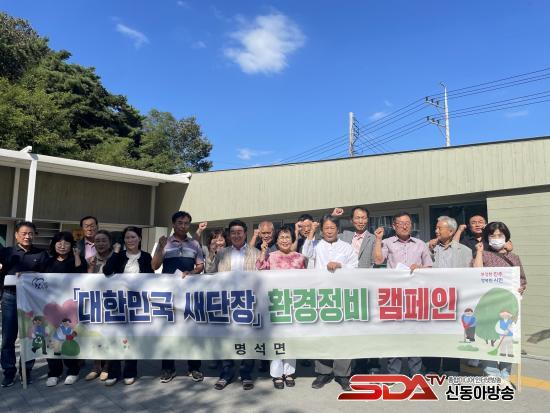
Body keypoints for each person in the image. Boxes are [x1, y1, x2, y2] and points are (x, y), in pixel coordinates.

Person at [302, 215, 358, 391]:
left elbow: (355, 267)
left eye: (332, 228)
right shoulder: (316, 245)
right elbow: (305, 253)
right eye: (326, 228)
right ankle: (323, 372)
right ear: (321, 230)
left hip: (342, 296)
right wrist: (311, 232)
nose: (329, 231)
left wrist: (341, 266)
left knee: (343, 334)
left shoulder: (347, 247)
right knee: (322, 334)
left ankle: (343, 374)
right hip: (321, 295)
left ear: (338, 230)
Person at [373, 212, 432, 377]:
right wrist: (378, 239)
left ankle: (416, 372)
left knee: (415, 334)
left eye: (408, 223)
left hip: (415, 295)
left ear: (411, 225)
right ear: (394, 226)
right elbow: (378, 260)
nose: (405, 226)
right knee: (395, 334)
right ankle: (394, 372)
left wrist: (420, 268)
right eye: (401, 223)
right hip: (394, 295)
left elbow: (429, 267)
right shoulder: (386, 242)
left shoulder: (420, 244)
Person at [205, 220, 260, 391]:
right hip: (226, 301)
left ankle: (246, 373)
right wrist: (212, 253)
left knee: (248, 338)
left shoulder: (256, 253)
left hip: (247, 301)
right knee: (225, 337)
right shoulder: (222, 253)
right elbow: (209, 272)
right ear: (229, 235)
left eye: (239, 232)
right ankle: (226, 373)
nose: (236, 235)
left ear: (245, 233)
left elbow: (263, 276)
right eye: (233, 232)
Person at [152, 211, 204, 384]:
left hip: (189, 294)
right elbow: (155, 265)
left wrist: (192, 272)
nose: (183, 226)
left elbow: (200, 265)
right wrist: (160, 247)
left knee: (192, 330)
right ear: (173, 224)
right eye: (180, 223)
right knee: (168, 331)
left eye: (186, 223)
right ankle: (168, 368)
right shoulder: (164, 242)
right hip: (169, 294)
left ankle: (194, 367)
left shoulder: (195, 244)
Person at [472, 221, 526, 381]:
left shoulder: (514, 257)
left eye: (500, 235)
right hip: (488, 305)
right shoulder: (483, 254)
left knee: (507, 337)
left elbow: (522, 279)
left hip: (507, 305)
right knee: (488, 336)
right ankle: (491, 372)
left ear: (506, 237)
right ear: (487, 238)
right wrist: (479, 252)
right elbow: (476, 274)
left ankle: (505, 372)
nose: (496, 238)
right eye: (492, 235)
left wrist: (521, 288)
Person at [256, 225, 306, 389]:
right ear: (276, 241)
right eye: (281, 237)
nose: (285, 240)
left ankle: (289, 372)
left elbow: (305, 280)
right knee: (276, 338)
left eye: (287, 237)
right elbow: (259, 269)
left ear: (292, 239)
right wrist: (263, 252)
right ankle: (277, 374)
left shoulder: (300, 258)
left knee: (291, 338)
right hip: (275, 302)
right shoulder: (271, 256)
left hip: (294, 303)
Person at [102, 226, 153, 386]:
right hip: (118, 302)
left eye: (133, 237)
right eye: (127, 238)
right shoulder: (119, 255)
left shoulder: (146, 256)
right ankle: (113, 372)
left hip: (137, 304)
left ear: (139, 239)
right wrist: (116, 252)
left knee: (132, 338)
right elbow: (107, 271)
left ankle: (130, 372)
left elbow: (151, 276)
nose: (130, 240)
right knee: (115, 336)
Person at [0, 221, 49, 387]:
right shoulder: (6, 252)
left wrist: (29, 274)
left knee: (31, 336)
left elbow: (47, 277)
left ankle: (26, 371)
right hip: (10, 297)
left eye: (30, 233)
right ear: (16, 235)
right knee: (8, 338)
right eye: (24, 233)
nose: (27, 236)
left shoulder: (41, 254)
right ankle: (8, 372)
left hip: (32, 299)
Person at [424, 216, 472, 374]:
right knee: (433, 335)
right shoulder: (428, 247)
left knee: (452, 335)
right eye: (436, 228)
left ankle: (451, 368)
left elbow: (470, 276)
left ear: (451, 231)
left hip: (455, 300)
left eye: (440, 228)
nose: (436, 230)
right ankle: (431, 368)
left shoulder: (464, 251)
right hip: (432, 299)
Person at [84, 230, 113, 381]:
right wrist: (90, 268)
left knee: (109, 334)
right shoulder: (90, 260)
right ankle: (96, 366)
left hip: (112, 302)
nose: (101, 243)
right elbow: (85, 282)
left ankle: (107, 366)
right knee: (95, 334)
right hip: (95, 302)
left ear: (109, 243)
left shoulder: (116, 258)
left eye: (104, 240)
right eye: (98, 241)